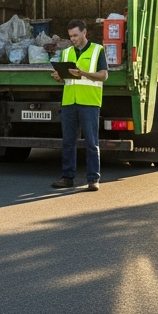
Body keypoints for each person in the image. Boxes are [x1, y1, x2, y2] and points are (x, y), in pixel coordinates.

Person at [50, 19, 107, 192]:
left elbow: (103, 76)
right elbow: (65, 79)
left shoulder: (98, 50)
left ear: (84, 33)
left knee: (91, 143)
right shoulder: (66, 53)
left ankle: (93, 179)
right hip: (69, 102)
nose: (73, 38)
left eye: (75, 35)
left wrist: (83, 73)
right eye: (70, 36)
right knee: (68, 142)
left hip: (89, 102)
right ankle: (67, 178)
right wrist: (59, 77)